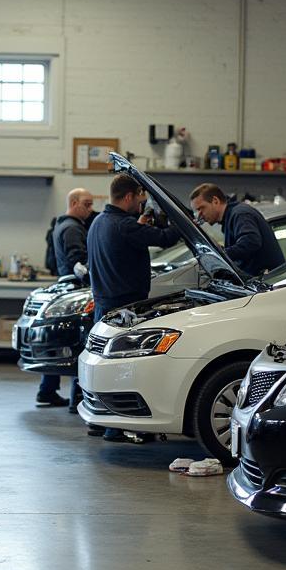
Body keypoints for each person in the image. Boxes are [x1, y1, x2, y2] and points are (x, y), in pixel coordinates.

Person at [87, 173, 179, 440]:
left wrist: (142, 223)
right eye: (139, 198)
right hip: (125, 306)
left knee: (97, 362)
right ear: (128, 197)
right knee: (120, 368)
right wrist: (186, 221)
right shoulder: (124, 225)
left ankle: (97, 420)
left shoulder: (98, 222)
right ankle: (113, 429)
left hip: (104, 303)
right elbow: (166, 238)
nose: (141, 203)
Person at [36, 188, 94, 409]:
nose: (90, 209)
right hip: (76, 290)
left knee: (58, 341)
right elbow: (78, 262)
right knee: (77, 343)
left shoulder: (61, 224)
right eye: (86, 204)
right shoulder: (72, 229)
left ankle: (47, 391)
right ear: (73, 202)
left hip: (65, 287)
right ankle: (76, 399)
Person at [189, 183, 284, 276]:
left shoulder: (240, 214)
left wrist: (219, 255)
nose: (199, 215)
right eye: (196, 211)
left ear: (215, 201)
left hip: (269, 282)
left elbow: (250, 242)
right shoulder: (232, 216)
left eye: (201, 208)